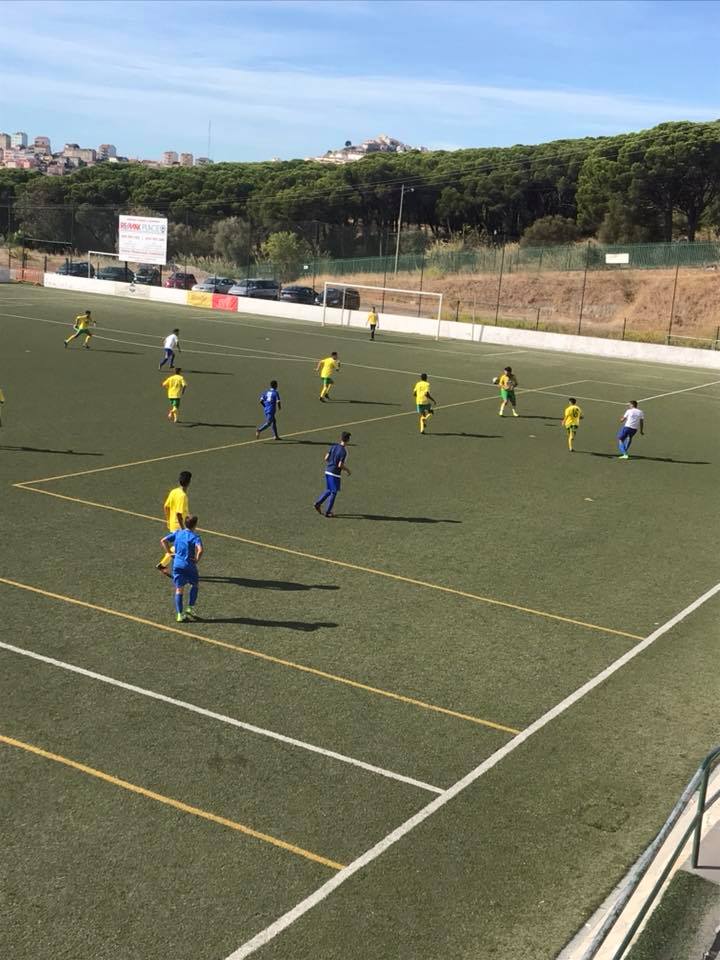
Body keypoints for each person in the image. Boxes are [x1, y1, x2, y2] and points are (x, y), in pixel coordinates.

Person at [160, 515, 203, 622]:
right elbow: (200, 549)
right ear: (195, 525)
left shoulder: (178, 533)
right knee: (195, 585)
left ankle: (179, 615)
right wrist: (197, 559)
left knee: (179, 589)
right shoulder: (195, 537)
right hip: (189, 565)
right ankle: (190, 608)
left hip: (177, 565)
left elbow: (163, 540)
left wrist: (169, 553)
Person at [157, 471, 192, 575]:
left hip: (173, 524)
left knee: (178, 547)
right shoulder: (182, 496)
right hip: (180, 526)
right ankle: (180, 569)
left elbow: (166, 506)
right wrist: (183, 529)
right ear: (189, 482)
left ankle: (162, 565)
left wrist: (168, 520)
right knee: (184, 548)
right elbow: (179, 514)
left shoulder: (174, 491)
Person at [314, 431, 352, 518]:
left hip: (327, 471)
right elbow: (340, 465)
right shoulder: (344, 451)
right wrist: (348, 470)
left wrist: (331, 464)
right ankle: (327, 512)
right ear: (348, 440)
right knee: (333, 492)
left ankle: (318, 504)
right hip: (335, 474)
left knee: (329, 490)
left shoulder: (334, 446)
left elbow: (326, 458)